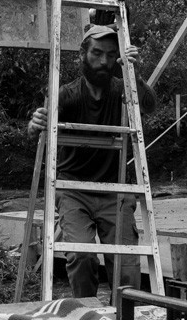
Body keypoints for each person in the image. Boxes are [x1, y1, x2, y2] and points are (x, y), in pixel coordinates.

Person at [28, 23, 156, 298]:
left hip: (116, 188)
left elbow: (149, 105)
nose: (104, 61)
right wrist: (35, 123)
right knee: (82, 258)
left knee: (127, 267)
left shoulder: (123, 90)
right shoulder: (68, 94)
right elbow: (38, 126)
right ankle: (87, 316)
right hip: (74, 189)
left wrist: (134, 73)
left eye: (111, 55)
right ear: (83, 55)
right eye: (97, 53)